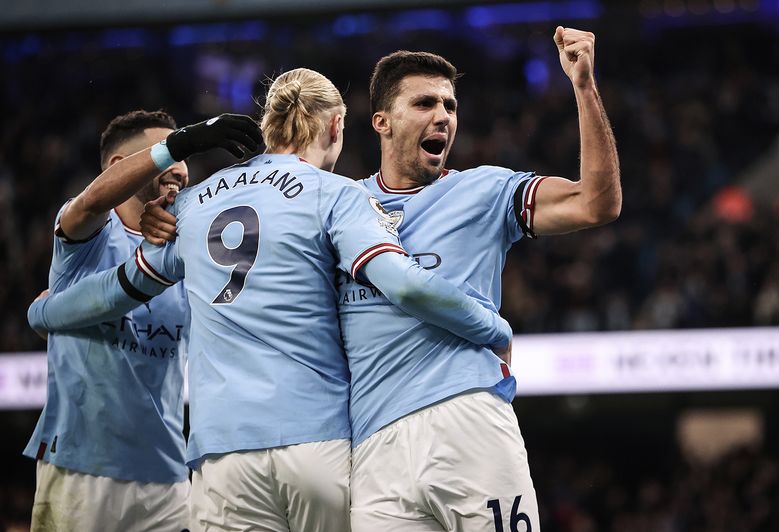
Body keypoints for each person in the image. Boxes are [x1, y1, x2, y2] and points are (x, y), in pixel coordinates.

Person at [135, 26, 617, 532]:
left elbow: (597, 203)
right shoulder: (331, 203)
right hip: (371, 446)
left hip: (466, 417)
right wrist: (161, 222)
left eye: (451, 106)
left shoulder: (487, 190)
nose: (443, 117)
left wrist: (583, 87)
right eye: (426, 103)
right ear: (381, 122)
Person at [29, 68, 512, 532]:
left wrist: (45, 311)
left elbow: (120, 288)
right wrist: (492, 326)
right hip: (315, 439)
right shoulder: (338, 194)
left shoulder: (196, 203)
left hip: (220, 452)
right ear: (337, 125)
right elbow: (402, 283)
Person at [25, 110, 262, 531]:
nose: (181, 167)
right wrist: (180, 142)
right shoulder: (85, 239)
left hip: (167, 475)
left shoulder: (187, 250)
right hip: (82, 466)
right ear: (121, 166)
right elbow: (94, 201)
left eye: (183, 155)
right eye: (168, 153)